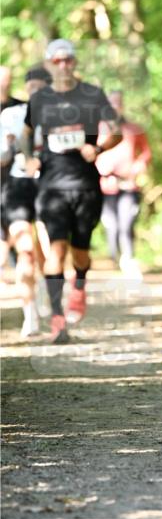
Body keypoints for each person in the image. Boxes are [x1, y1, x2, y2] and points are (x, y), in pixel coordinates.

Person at [24, 38, 121, 344]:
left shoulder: (91, 93)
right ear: (49, 64)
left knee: (80, 254)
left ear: (74, 62)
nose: (63, 65)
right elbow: (28, 132)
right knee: (56, 252)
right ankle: (57, 319)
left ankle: (79, 285)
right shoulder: (40, 99)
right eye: (57, 60)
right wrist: (28, 157)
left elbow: (116, 130)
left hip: (86, 186)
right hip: (52, 186)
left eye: (68, 60)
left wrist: (99, 147)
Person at [0, 66, 52, 336]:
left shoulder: (60, 114)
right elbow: (2, 158)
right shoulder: (11, 115)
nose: (35, 93)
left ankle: (46, 291)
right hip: (18, 187)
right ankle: (29, 313)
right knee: (25, 250)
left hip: (48, 186)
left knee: (47, 249)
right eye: (31, 88)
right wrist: (10, 147)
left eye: (41, 88)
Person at [96, 90, 151, 278]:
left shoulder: (133, 128)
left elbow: (146, 153)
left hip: (128, 185)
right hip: (105, 186)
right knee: (111, 224)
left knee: (126, 223)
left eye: (118, 103)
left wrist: (137, 168)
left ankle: (128, 258)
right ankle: (115, 257)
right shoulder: (97, 128)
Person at [0, 65, 26, 272]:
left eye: (7, 78)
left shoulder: (21, 107)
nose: (4, 82)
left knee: (17, 222)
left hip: (16, 177)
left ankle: (19, 266)